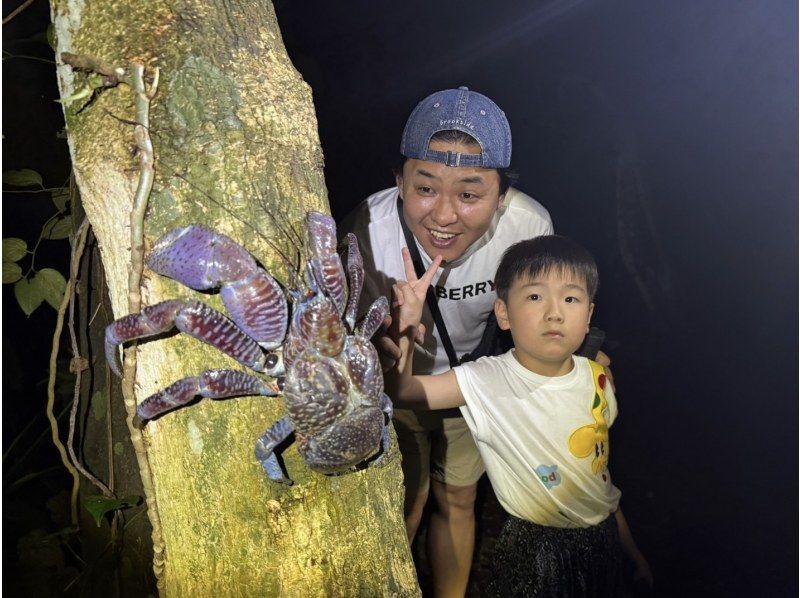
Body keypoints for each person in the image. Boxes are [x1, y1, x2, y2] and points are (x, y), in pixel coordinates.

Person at [340, 86, 561, 596]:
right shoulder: (366, 232)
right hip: (399, 388)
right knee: (405, 503)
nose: (443, 216)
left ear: (500, 196)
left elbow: (543, 317)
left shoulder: (528, 228)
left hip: (474, 383)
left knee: (458, 499)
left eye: (469, 193)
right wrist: (392, 333)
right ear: (399, 181)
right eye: (425, 188)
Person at [387, 235, 653, 596]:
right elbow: (402, 392)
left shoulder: (598, 381)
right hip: (534, 550)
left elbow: (599, 479)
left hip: (602, 545)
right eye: (534, 296)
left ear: (588, 316)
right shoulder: (485, 379)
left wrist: (629, 548)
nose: (554, 312)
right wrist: (406, 325)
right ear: (503, 314)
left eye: (571, 298)